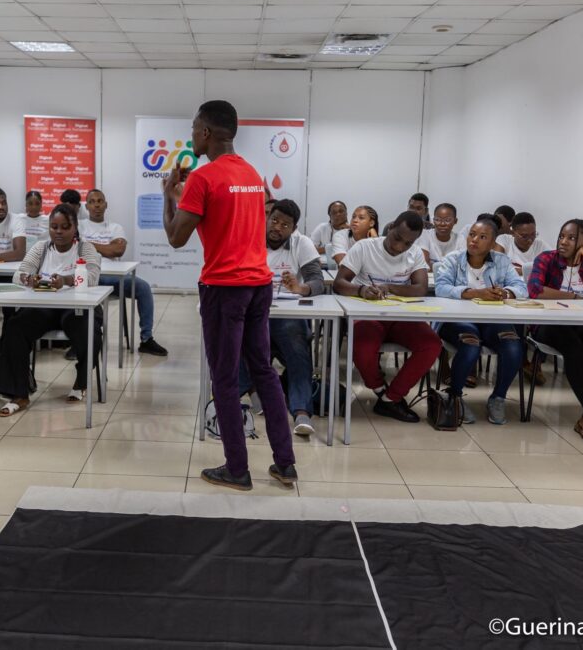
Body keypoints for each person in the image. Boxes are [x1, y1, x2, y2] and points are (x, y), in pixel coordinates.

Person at [162, 99, 297, 491]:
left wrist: (168, 195)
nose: (191, 135)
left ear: (206, 132)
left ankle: (237, 469)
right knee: (264, 371)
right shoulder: (252, 175)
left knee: (223, 378)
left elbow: (175, 238)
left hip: (224, 288)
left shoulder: (204, 178)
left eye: (194, 129)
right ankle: (285, 463)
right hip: (259, 285)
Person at [333, 211, 440, 423]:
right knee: (362, 349)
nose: (400, 246)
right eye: (397, 238)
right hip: (368, 315)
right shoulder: (364, 247)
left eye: (408, 243)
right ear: (390, 228)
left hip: (402, 317)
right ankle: (381, 390)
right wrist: (362, 290)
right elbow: (339, 283)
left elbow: (420, 289)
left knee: (431, 344)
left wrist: (389, 287)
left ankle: (391, 398)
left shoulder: (415, 253)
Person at [0, 205, 102, 415]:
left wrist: (66, 280)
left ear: (75, 228)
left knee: (89, 331)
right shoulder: (41, 248)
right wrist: (28, 279)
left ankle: (81, 381)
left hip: (76, 307)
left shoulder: (85, 249)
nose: (58, 232)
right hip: (44, 306)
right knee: (14, 327)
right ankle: (19, 393)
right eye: (54, 227)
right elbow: (18, 274)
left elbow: (92, 277)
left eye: (65, 227)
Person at [527, 218, 583, 446]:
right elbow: (536, 290)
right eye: (562, 236)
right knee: (573, 347)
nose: (563, 242)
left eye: (571, 238)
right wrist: (574, 297)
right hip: (548, 324)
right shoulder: (546, 259)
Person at [241, 199, 323, 437]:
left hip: (288, 312)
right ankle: (253, 391)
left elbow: (317, 281)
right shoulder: (249, 237)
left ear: (293, 228)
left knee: (297, 349)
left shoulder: (302, 243)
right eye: (274, 220)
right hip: (254, 309)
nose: (277, 227)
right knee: (235, 337)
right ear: (266, 218)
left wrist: (300, 288)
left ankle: (301, 412)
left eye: (285, 225)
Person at [434, 216, 528, 425]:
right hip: (457, 320)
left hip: (492, 320)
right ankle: (455, 396)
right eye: (472, 235)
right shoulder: (453, 259)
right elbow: (441, 288)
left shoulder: (501, 261)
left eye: (482, 237)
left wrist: (505, 293)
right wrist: (475, 293)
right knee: (470, 344)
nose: (474, 240)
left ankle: (498, 398)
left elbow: (521, 288)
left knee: (513, 344)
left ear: (493, 242)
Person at [81, 188, 168, 356]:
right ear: (87, 206)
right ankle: (80, 342)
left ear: (106, 205)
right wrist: (107, 247)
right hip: (86, 276)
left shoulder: (115, 227)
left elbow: (118, 250)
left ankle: (146, 339)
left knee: (143, 287)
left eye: (100, 201)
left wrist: (87, 245)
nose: (96, 205)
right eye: (92, 202)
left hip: (113, 277)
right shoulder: (80, 226)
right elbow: (77, 248)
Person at [494, 211, 549, 275]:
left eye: (533, 234)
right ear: (513, 233)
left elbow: (554, 265)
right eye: (524, 236)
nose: (530, 240)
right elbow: (497, 267)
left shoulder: (540, 245)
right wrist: (534, 270)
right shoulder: (504, 240)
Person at [417, 202, 465, 269]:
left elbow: (462, 266)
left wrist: (434, 266)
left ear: (455, 221)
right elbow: (424, 265)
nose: (442, 224)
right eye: (437, 220)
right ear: (433, 220)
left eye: (447, 220)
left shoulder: (460, 239)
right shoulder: (425, 235)